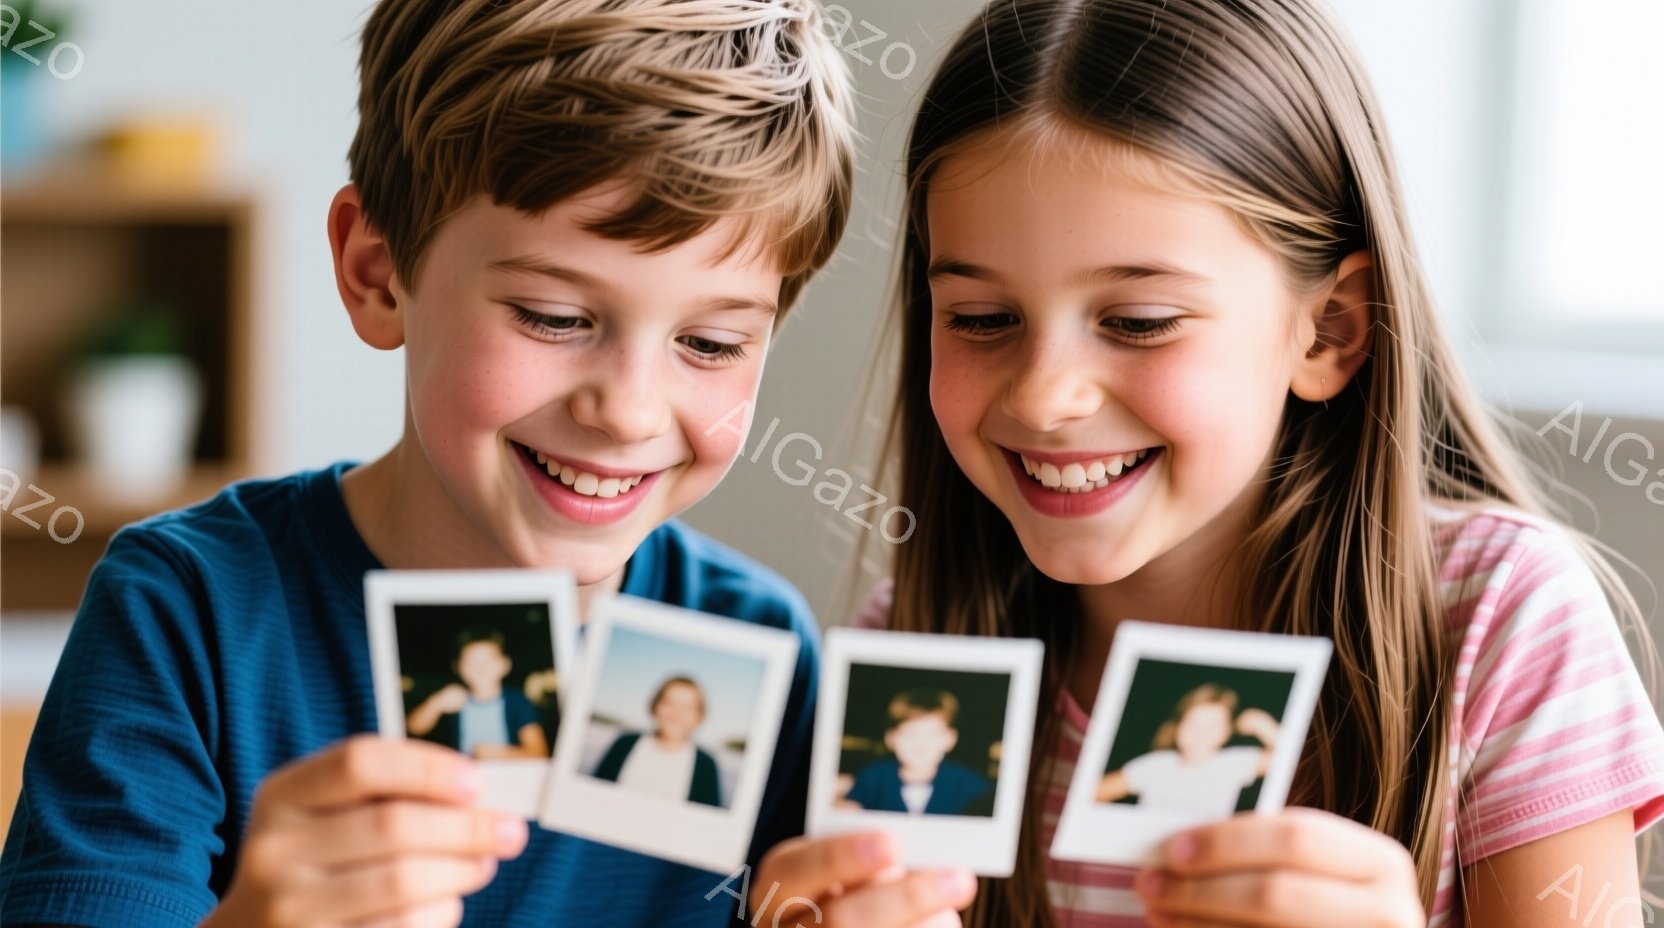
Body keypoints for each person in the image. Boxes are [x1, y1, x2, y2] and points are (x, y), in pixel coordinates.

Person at [757, 0, 1664, 925]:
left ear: (1330, 330)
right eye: (983, 320)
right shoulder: (920, 652)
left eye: (1139, 323)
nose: (1042, 396)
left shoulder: (1501, 620)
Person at [0, 1, 858, 925]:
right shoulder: (187, 610)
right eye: (555, 319)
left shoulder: (762, 647)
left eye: (712, 342)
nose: (629, 410)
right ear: (377, 274)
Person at [1095, 685, 1279, 817]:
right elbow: (1094, 792)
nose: (1201, 733)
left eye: (1212, 726)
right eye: (1194, 723)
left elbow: (1287, 761)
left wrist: (1262, 724)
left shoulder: (1233, 763)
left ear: (1225, 733)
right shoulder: (1157, 764)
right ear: (1177, 726)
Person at [842, 687, 993, 817]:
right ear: (891, 738)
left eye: (931, 735)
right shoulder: (872, 779)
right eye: (910, 734)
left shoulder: (971, 787)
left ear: (950, 739)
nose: (920, 743)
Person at [406, 626, 549, 760]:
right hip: (461, 779)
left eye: (488, 661)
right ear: (458, 667)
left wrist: (498, 754)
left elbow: (539, 753)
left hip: (506, 777)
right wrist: (435, 703)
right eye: (471, 662)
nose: (480, 669)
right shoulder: (455, 699)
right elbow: (413, 729)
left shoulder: (516, 701)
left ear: (504, 665)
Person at [592, 676, 723, 807]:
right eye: (669, 703)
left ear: (699, 716)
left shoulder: (706, 766)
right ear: (655, 705)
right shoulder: (624, 744)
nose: (676, 713)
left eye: (687, 707)